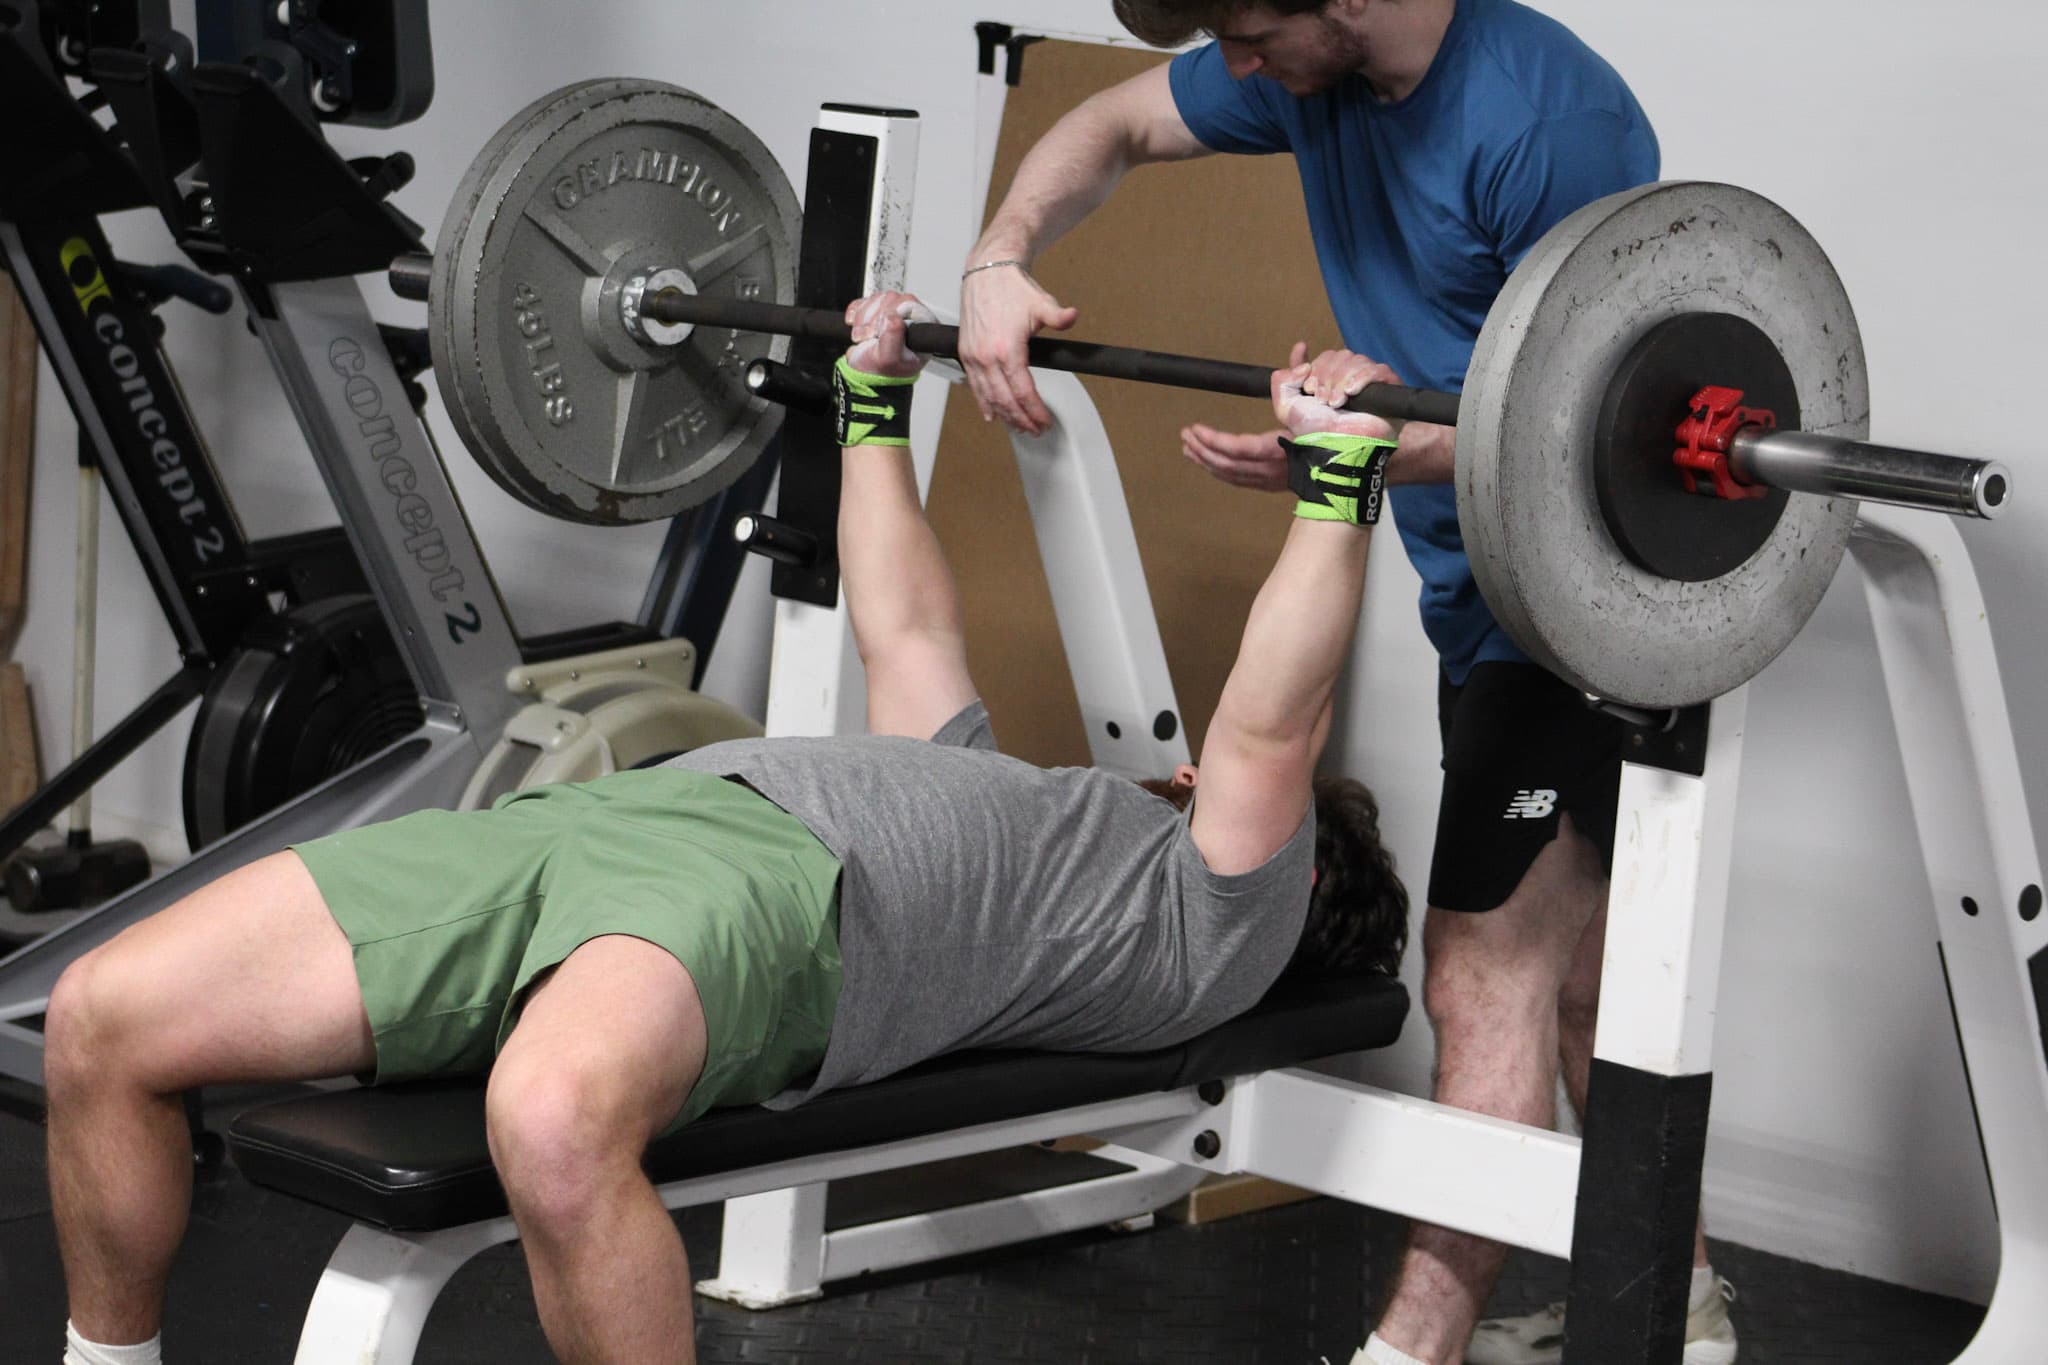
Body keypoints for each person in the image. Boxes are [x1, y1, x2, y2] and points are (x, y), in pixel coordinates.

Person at [40, 292, 1409, 1365]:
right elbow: (911, 625)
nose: (1168, 779)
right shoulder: (1014, 808)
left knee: (554, 1120)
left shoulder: (1213, 921)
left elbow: (1267, 732)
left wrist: (1336, 489)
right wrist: (872, 402)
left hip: (773, 889)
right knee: (104, 1013)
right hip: (602, 824)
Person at [956, 3, 1738, 1364]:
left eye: (1254, 34)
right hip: (1477, 593)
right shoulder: (1310, 72)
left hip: (1580, 610)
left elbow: (1587, 415)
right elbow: (1118, 119)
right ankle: (1686, 1309)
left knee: (1480, 976)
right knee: (1585, 990)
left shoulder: (1548, 124)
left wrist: (1372, 445)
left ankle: (1409, 1350)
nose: (1240, 71)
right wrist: (998, 257)